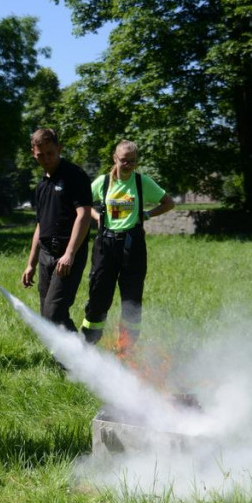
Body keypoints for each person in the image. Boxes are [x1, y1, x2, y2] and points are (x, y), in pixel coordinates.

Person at [80, 140, 175, 354]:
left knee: (132, 298)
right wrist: (96, 217)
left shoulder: (142, 183)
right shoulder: (103, 183)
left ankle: (126, 348)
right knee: (99, 295)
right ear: (115, 159)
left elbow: (169, 202)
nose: (129, 165)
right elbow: (82, 203)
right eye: (124, 161)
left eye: (133, 161)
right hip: (106, 244)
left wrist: (148, 214)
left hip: (133, 247)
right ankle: (89, 345)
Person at [21, 128, 93, 333]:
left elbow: (84, 215)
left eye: (50, 153)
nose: (45, 159)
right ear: (33, 153)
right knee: (47, 314)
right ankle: (64, 360)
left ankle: (83, 357)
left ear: (59, 148)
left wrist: (69, 253)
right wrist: (31, 264)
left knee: (54, 312)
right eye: (39, 155)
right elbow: (40, 226)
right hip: (45, 255)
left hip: (68, 255)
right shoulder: (41, 186)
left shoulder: (75, 176)